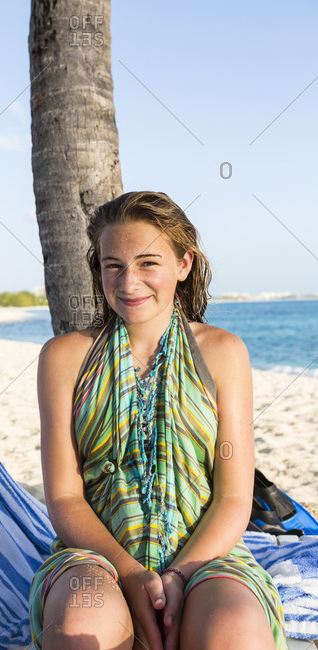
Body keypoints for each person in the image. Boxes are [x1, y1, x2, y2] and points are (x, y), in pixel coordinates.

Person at [28, 191, 287, 650]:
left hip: (206, 559)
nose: (129, 282)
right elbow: (65, 497)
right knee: (78, 626)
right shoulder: (64, 358)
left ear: (183, 265)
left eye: (148, 263)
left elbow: (232, 497)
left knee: (235, 632)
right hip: (96, 559)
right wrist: (129, 574)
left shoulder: (223, 352)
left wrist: (179, 576)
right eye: (113, 265)